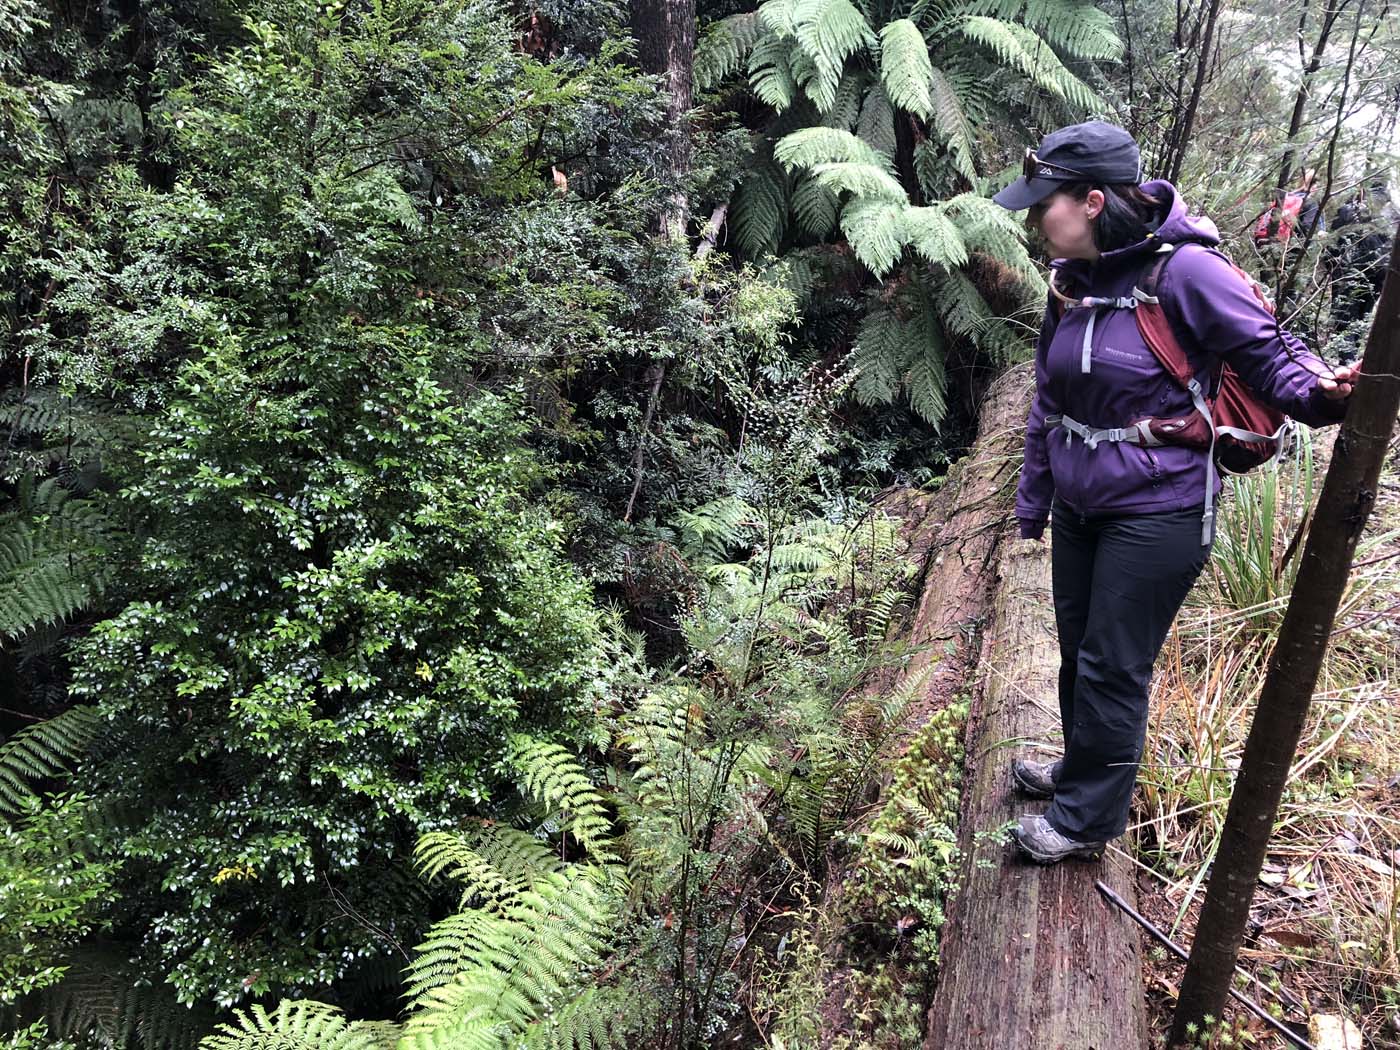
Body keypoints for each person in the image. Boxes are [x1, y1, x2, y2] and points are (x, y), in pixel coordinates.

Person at [990, 122, 1358, 865]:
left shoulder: (1188, 272)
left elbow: (1273, 358)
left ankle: (1087, 822)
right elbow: (1048, 402)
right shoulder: (1072, 282)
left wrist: (1329, 394)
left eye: (1043, 207)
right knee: (1079, 654)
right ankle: (1077, 773)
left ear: (1092, 201)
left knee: (1112, 664)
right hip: (1083, 508)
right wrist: (1035, 499)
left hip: (1159, 510)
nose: (1033, 223)